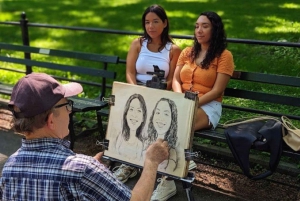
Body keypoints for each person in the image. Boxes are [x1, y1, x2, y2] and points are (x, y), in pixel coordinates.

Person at [0, 73, 169, 201]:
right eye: (67, 105)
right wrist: (151, 163)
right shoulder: (82, 170)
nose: (70, 110)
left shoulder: (10, 168)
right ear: (51, 120)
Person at [167, 11, 234, 200]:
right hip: (182, 102)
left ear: (215, 29)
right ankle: (182, 164)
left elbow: (217, 91)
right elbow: (175, 80)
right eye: (197, 26)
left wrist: (191, 102)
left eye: (205, 26)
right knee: (165, 121)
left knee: (174, 125)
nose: (199, 30)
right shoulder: (188, 52)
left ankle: (167, 181)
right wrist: (181, 99)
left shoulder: (224, 56)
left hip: (208, 106)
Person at [114, 3, 181, 184]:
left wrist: (159, 90)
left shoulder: (173, 50)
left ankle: (155, 166)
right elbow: (129, 72)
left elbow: (172, 80)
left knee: (156, 117)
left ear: (165, 23)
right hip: (137, 92)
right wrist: (135, 89)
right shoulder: (138, 43)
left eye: (155, 22)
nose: (150, 26)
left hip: (160, 94)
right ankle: (128, 163)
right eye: (147, 22)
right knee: (132, 115)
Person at [146, 98, 179, 172]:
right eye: (157, 112)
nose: (160, 117)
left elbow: (170, 171)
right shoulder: (145, 143)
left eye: (166, 114)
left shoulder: (172, 152)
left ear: (172, 120)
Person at [115, 94, 147, 162]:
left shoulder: (139, 144)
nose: (134, 115)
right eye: (131, 109)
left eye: (139, 111)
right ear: (126, 114)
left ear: (143, 118)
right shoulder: (120, 137)